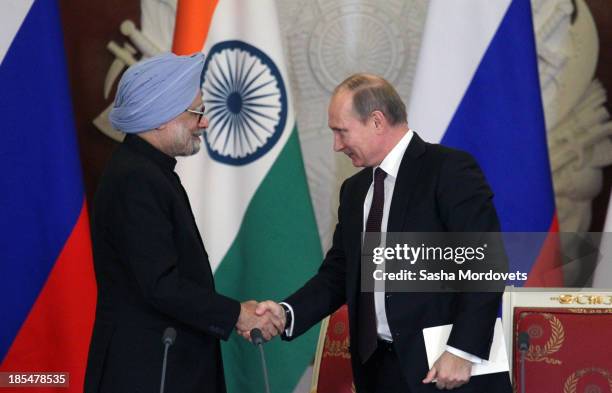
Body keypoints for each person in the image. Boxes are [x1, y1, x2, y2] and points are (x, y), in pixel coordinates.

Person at [255, 74, 512, 392]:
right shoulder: (355, 190)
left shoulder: (448, 169)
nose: (336, 145)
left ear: (376, 121)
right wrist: (286, 312)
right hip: (381, 371)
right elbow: (340, 273)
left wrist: (462, 350)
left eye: (341, 131)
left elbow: (485, 263)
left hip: (450, 368)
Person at [84, 53, 282, 393]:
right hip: (149, 373)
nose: (204, 123)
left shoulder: (149, 171)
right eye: (197, 112)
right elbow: (161, 284)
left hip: (166, 365)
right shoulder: (137, 179)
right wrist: (236, 314)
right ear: (161, 117)